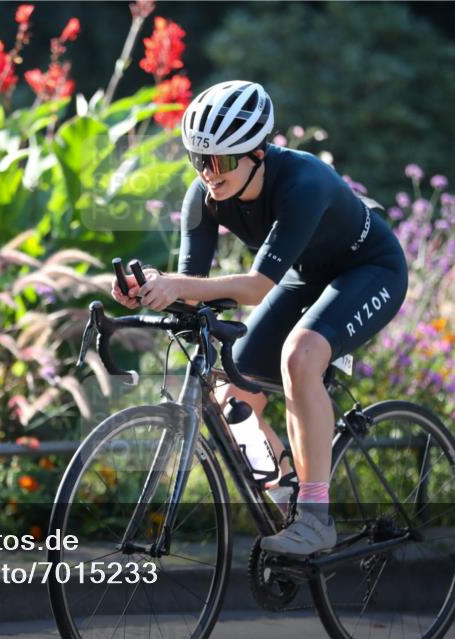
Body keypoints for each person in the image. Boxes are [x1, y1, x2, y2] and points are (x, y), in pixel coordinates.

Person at [110, 80, 409, 556]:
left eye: (223, 160)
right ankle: (289, 490)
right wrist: (149, 290)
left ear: (258, 153)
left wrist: (176, 284)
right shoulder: (204, 196)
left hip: (370, 270)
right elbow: (194, 291)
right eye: (198, 159)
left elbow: (255, 287)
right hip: (306, 274)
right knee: (234, 392)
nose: (209, 173)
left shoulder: (303, 182)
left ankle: (315, 518)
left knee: (301, 355)